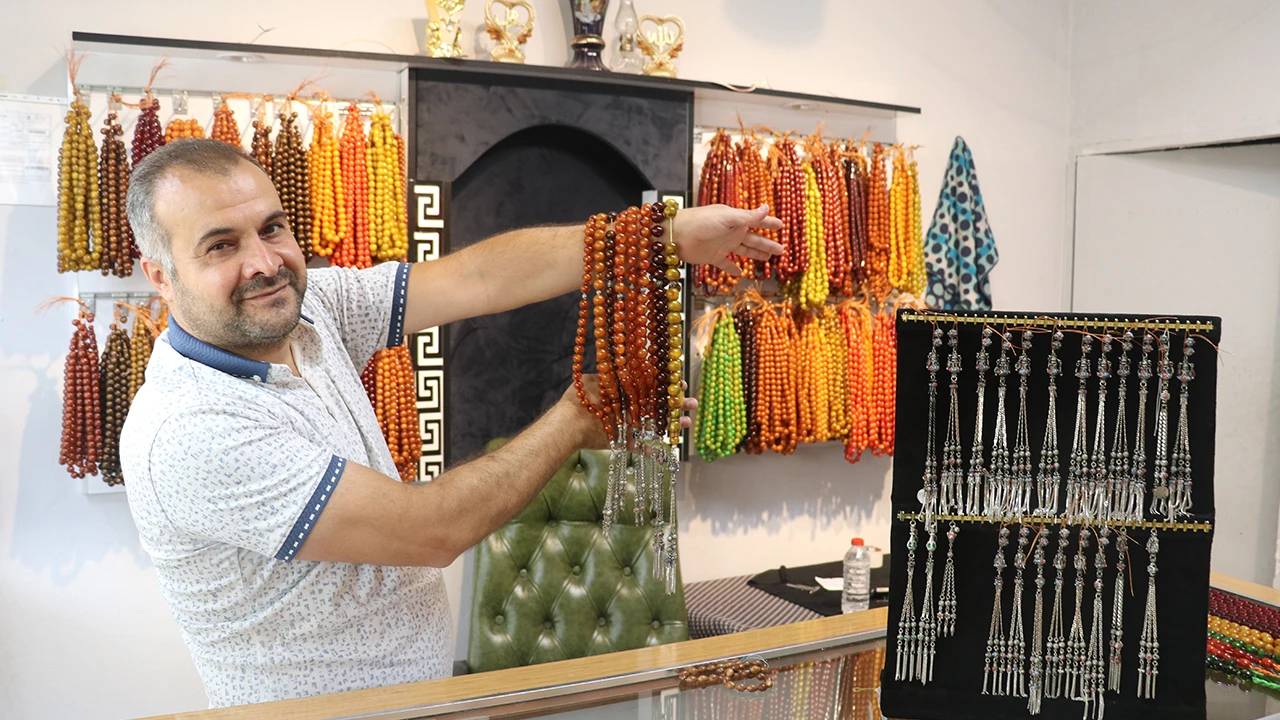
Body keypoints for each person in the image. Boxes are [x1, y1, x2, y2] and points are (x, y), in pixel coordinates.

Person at [119, 138, 783, 708]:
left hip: (423, 700)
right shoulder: (191, 429)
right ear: (160, 276)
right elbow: (430, 530)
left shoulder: (311, 312)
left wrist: (660, 234)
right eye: (220, 246)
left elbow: (476, 280)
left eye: (272, 229)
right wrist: (576, 420)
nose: (264, 263)